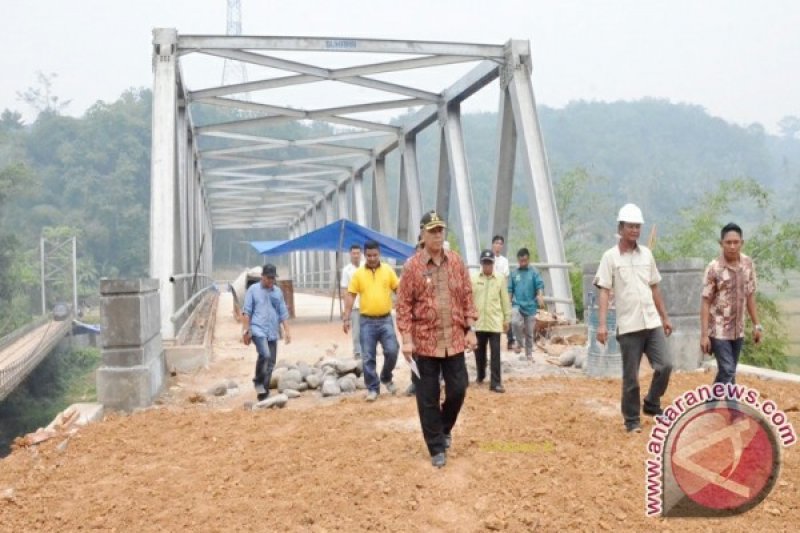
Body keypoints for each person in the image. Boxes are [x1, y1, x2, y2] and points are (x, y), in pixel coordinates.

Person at [397, 210, 478, 468]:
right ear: (422, 234)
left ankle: (443, 428)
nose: (437, 235)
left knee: (458, 389)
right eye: (432, 230)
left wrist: (471, 328)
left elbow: (467, 296)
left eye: (440, 230)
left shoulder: (456, 262)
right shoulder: (412, 267)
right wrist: (407, 339)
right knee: (427, 396)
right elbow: (403, 306)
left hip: (453, 340)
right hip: (423, 344)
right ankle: (435, 448)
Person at [594, 203, 673, 434]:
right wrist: (601, 325)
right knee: (631, 377)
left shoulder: (647, 254)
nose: (635, 231)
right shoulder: (609, 257)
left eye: (638, 227)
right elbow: (604, 291)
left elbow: (655, 287)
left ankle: (651, 402)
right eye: (630, 226)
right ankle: (631, 420)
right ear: (620, 228)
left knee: (665, 365)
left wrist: (664, 317)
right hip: (629, 325)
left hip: (651, 321)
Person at [701, 222, 762, 384]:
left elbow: (750, 295)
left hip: (738, 330)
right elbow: (706, 302)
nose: (732, 246)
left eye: (736, 242)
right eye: (728, 242)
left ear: (742, 243)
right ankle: (715, 404)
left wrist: (757, 325)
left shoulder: (748, 264)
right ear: (721, 243)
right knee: (727, 370)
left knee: (729, 372)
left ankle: (716, 405)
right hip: (718, 330)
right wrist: (704, 335)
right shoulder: (714, 268)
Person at [342, 240, 400, 401]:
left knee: (393, 350)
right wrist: (346, 317)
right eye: (369, 255)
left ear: (379, 254)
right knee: (368, 356)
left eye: (375, 255)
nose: (372, 258)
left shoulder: (388, 270)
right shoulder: (359, 274)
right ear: (364, 255)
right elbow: (351, 295)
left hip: (385, 319)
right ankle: (373, 388)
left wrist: (403, 306)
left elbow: (398, 289)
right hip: (366, 321)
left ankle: (386, 376)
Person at [241, 264, 291, 401]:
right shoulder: (253, 290)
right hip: (258, 329)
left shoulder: (277, 292)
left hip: (272, 331)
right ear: (262, 277)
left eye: (273, 278)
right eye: (268, 278)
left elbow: (283, 312)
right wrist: (246, 331)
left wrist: (287, 331)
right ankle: (258, 381)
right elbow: (246, 312)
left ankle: (263, 391)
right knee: (265, 354)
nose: (271, 281)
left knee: (271, 363)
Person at [472, 249, 512, 392]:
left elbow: (505, 300)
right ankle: (480, 375)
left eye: (489, 263)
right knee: (479, 353)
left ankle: (495, 383)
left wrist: (507, 319)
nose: (487, 266)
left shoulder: (500, 279)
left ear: (493, 264)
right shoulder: (474, 279)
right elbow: (470, 300)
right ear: (481, 263)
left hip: (495, 322)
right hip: (479, 322)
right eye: (485, 263)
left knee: (495, 353)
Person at [508, 247, 545, 361]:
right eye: (520, 261)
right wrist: (507, 304)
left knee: (529, 332)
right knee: (514, 322)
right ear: (518, 260)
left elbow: (539, 286)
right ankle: (519, 342)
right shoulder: (514, 273)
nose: (522, 263)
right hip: (517, 304)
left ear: (528, 259)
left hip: (530, 305)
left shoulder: (534, 272)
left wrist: (540, 296)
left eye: (524, 260)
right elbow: (510, 289)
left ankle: (529, 354)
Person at [340, 243, 363, 360]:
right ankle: (358, 354)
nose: (356, 255)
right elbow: (345, 291)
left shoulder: (366, 267)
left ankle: (367, 353)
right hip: (354, 306)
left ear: (361, 254)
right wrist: (346, 314)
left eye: (358, 253)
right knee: (356, 333)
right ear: (350, 254)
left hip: (367, 306)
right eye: (353, 253)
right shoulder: (346, 270)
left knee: (367, 331)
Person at [491, 235, 513, 350]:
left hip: (501, 290)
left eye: (500, 243)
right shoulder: (488, 258)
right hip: (490, 290)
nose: (498, 245)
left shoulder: (504, 261)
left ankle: (510, 340)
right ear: (492, 244)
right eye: (496, 243)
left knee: (506, 313)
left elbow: (505, 277)